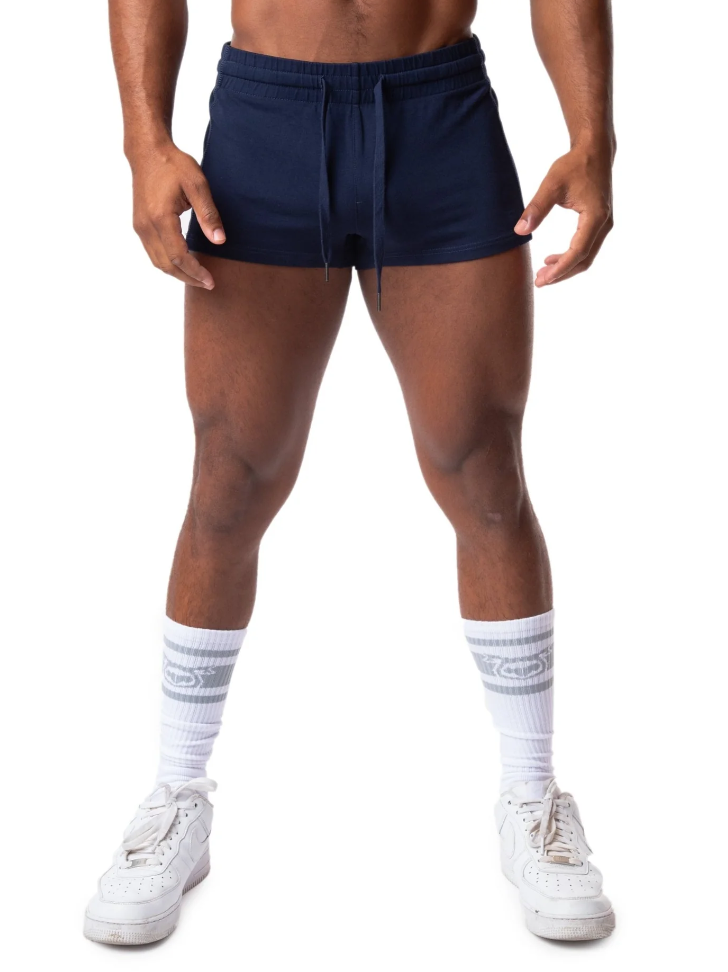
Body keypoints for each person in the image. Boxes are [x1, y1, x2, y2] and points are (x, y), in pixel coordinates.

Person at [84, 0, 616, 945]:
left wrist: (592, 136)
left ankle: (533, 799)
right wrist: (143, 142)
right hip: (267, 124)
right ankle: (176, 795)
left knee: (483, 467)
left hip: (440, 114)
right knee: (229, 475)